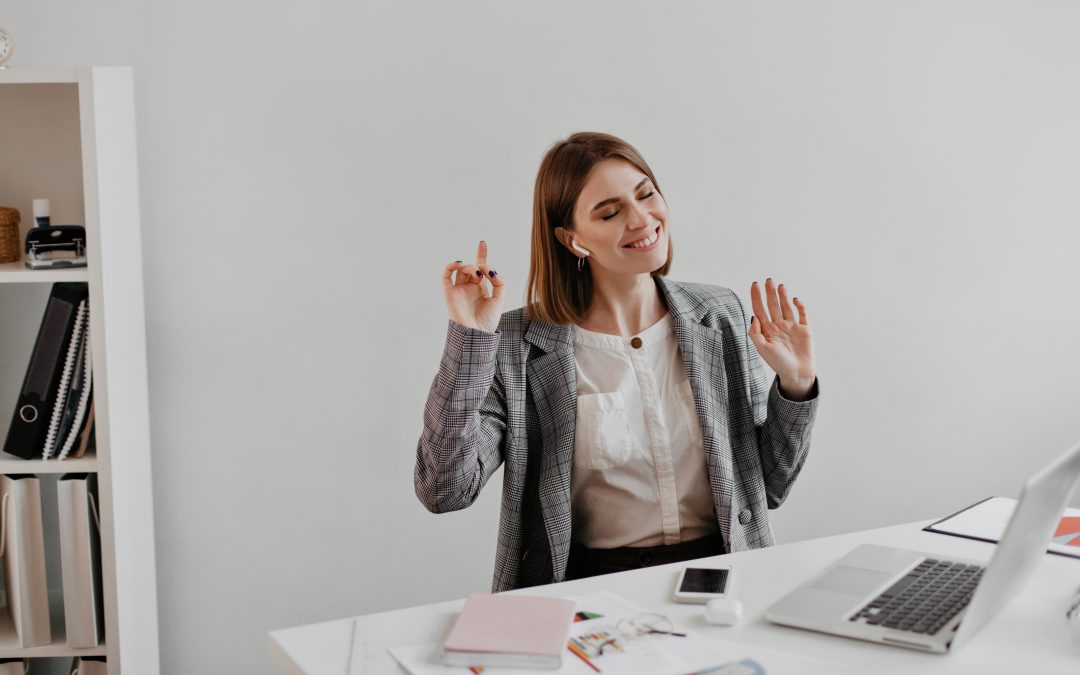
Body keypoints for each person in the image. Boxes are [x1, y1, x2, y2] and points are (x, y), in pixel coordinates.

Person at [416, 131, 819, 592]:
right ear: (573, 240)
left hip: (723, 575)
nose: (641, 218)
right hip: (588, 588)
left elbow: (769, 487)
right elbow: (444, 489)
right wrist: (471, 339)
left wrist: (796, 383)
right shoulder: (517, 345)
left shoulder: (719, 314)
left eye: (646, 194)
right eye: (610, 212)